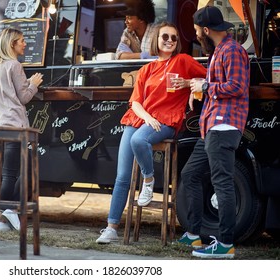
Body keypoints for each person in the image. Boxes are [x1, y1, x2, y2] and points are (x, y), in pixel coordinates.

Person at [96, 22, 207, 244]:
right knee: (122, 176)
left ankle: (148, 179)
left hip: (166, 121)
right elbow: (135, 102)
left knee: (138, 140)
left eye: (174, 38)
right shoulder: (146, 68)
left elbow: (210, 77)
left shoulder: (182, 61)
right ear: (156, 39)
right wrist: (147, 117)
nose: (169, 41)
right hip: (142, 118)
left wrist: (188, 85)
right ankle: (111, 227)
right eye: (165, 36)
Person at [177, 6, 250, 259]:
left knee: (223, 184)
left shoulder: (232, 50)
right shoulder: (219, 50)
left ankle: (226, 244)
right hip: (211, 127)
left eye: (197, 30)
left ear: (206, 30)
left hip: (224, 126)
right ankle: (195, 234)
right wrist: (197, 90)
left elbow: (238, 87)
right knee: (190, 174)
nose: (196, 35)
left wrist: (206, 85)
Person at [0, 28, 43, 231]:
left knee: (8, 173)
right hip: (15, 126)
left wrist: (28, 83)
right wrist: (35, 84)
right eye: (21, 41)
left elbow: (11, 93)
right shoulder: (15, 65)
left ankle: (4, 219)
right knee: (21, 172)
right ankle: (8, 211)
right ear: (12, 44)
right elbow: (24, 98)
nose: (25, 44)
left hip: (0, 125)